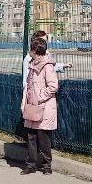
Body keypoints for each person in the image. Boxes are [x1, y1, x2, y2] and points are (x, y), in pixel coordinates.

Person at [21, 36, 58, 175]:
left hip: (44, 108)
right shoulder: (31, 64)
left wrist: (40, 97)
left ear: (34, 50)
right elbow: (28, 86)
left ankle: (47, 165)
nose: (29, 51)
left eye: (30, 49)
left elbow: (53, 86)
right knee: (31, 136)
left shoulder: (47, 66)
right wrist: (25, 102)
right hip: (32, 107)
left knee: (43, 137)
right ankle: (31, 165)